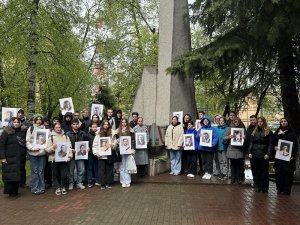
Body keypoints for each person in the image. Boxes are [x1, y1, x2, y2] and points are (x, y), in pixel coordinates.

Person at [0, 117, 26, 198]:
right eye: (14, 122)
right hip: (9, 158)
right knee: (10, 175)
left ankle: (15, 191)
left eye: (18, 122)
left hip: (18, 158)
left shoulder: (21, 132)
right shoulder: (6, 132)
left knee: (17, 175)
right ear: (11, 122)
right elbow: (1, 146)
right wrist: (3, 157)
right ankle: (11, 192)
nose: (16, 123)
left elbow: (23, 143)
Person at [272, 118, 298, 195]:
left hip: (288, 158)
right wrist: (275, 147)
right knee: (279, 173)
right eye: (282, 121)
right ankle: (279, 189)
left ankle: (286, 190)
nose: (283, 123)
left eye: (285, 121)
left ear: (287, 122)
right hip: (279, 158)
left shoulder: (292, 133)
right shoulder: (277, 132)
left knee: (288, 174)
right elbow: (273, 143)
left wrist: (293, 155)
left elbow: (295, 146)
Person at [46, 122, 72, 195]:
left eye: (59, 127)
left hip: (64, 159)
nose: (58, 129)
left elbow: (69, 147)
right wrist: (53, 147)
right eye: (56, 127)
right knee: (55, 174)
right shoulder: (51, 137)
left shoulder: (66, 136)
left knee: (64, 174)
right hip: (54, 159)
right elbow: (47, 149)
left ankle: (63, 187)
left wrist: (69, 157)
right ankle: (57, 187)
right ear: (54, 128)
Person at [248, 117, 273, 193]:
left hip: (264, 155)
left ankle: (264, 188)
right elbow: (251, 142)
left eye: (261, 121)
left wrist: (268, 154)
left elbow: (270, 144)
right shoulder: (254, 131)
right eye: (259, 121)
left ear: (264, 122)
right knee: (255, 171)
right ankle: (257, 186)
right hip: (254, 154)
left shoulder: (268, 132)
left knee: (264, 172)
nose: (260, 123)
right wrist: (249, 152)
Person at [26, 115, 48, 195]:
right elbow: (27, 141)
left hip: (42, 153)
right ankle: (34, 188)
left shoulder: (45, 129)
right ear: (34, 120)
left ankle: (41, 187)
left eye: (40, 119)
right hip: (33, 154)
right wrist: (32, 148)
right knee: (34, 171)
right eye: (37, 119)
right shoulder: (30, 129)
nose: (39, 121)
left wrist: (43, 148)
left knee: (41, 171)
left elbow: (47, 141)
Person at [93, 120, 116, 189]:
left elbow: (115, 143)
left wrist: (113, 145)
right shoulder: (98, 134)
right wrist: (96, 153)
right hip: (101, 155)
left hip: (109, 155)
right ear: (102, 125)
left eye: (107, 124)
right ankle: (102, 184)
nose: (106, 126)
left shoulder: (112, 133)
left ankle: (108, 183)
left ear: (109, 125)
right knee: (101, 170)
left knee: (109, 169)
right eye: (104, 124)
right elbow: (95, 144)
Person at [66, 119, 88, 190]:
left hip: (80, 155)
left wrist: (88, 148)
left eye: (77, 124)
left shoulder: (82, 133)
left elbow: (87, 142)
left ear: (79, 125)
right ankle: (71, 183)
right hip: (72, 154)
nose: (75, 125)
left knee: (81, 169)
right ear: (72, 125)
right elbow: (66, 145)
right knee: (71, 170)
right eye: (74, 124)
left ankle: (79, 183)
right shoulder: (68, 134)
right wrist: (71, 150)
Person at [223, 117, 246, 184]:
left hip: (239, 150)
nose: (236, 123)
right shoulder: (230, 129)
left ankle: (238, 179)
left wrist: (244, 138)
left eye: (238, 121)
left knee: (239, 165)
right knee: (232, 165)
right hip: (232, 149)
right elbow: (224, 138)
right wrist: (229, 136)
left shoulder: (242, 129)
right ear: (233, 122)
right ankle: (233, 178)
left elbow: (246, 139)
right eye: (235, 121)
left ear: (240, 122)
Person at [114, 118, 135, 187]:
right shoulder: (118, 131)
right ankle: (123, 181)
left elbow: (132, 141)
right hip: (121, 150)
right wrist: (117, 140)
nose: (124, 123)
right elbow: (115, 139)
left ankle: (128, 181)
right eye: (122, 122)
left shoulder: (130, 130)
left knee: (127, 165)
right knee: (122, 165)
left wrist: (132, 149)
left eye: (125, 122)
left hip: (128, 150)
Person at [87, 122, 99, 187]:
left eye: (95, 127)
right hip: (90, 154)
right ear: (90, 127)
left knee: (97, 167)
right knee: (90, 168)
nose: (94, 128)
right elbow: (85, 144)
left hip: (97, 154)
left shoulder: (98, 135)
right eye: (93, 127)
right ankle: (90, 181)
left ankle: (97, 180)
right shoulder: (87, 135)